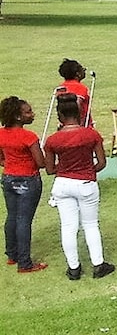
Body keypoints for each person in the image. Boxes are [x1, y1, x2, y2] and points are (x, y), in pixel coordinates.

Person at [43, 94, 115, 280]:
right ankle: (98, 264)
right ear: (80, 113)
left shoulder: (52, 140)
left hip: (62, 184)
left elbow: (50, 169)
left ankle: (73, 268)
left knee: (68, 226)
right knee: (90, 225)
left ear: (59, 116)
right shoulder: (91, 134)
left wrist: (66, 168)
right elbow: (101, 163)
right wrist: (86, 169)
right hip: (85, 183)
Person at [0, 96, 46, 273]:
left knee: (12, 216)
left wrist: (9, 164)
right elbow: (41, 162)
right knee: (24, 220)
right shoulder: (29, 137)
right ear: (18, 117)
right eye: (28, 112)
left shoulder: (1, 133)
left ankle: (12, 255)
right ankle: (25, 263)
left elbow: (1, 158)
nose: (32, 114)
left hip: (8, 178)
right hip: (28, 180)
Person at [58, 59, 93, 126]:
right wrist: (80, 125)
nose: (84, 70)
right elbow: (78, 105)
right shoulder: (80, 88)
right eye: (83, 69)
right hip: (81, 126)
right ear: (78, 74)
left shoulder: (61, 87)